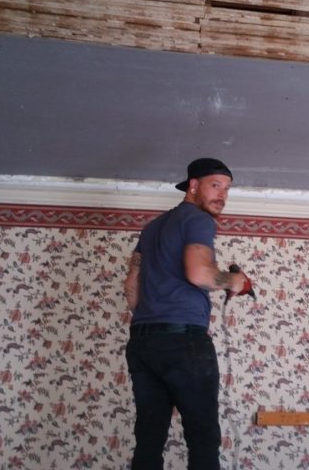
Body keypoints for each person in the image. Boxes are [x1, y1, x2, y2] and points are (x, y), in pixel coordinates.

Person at [123, 158, 253, 470]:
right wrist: (234, 281)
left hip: (141, 342)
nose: (222, 195)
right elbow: (198, 273)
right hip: (183, 341)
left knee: (149, 440)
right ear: (193, 186)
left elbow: (131, 290)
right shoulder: (197, 219)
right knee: (203, 437)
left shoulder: (151, 228)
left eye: (227, 189)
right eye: (215, 185)